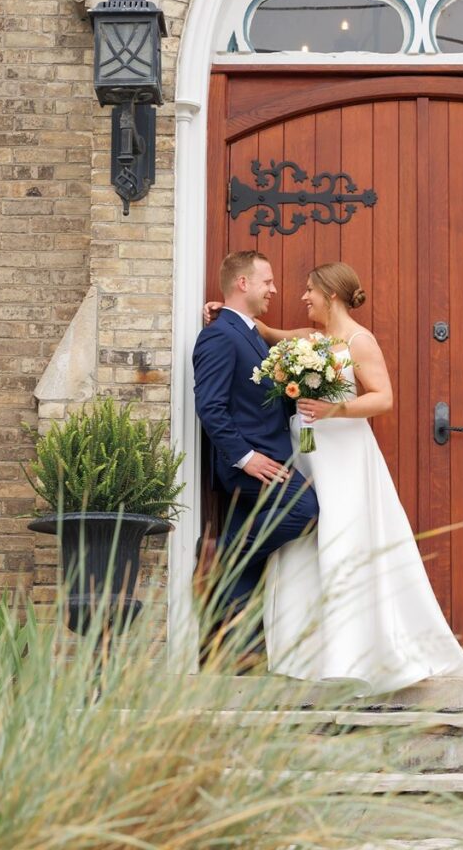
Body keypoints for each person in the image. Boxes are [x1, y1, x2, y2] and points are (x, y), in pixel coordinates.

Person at [205, 261, 463, 692]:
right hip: (307, 453)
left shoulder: (358, 341)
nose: (302, 297)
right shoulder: (310, 339)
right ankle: (308, 654)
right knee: (308, 545)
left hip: (345, 454)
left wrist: (335, 409)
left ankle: (361, 652)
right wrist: (226, 310)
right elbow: (262, 334)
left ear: (330, 294)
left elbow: (383, 398)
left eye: (309, 290)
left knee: (346, 537)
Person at [192, 251, 319, 657]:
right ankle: (221, 553)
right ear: (243, 283)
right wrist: (245, 457)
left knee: (250, 565)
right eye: (267, 281)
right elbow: (210, 405)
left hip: (271, 457)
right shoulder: (218, 335)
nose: (274, 289)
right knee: (305, 510)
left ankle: (233, 655)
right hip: (253, 464)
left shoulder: (245, 331)